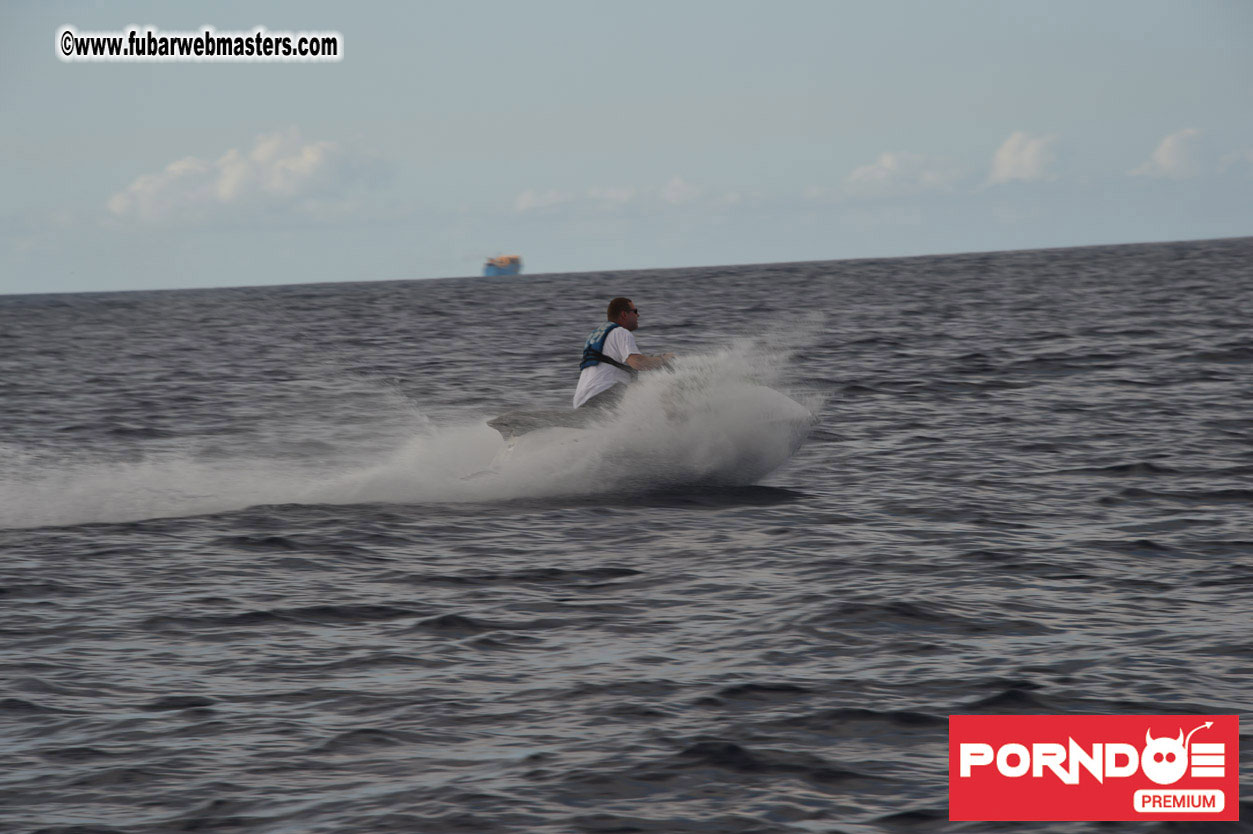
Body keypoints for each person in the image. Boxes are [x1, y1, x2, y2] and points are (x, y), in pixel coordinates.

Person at [572, 297, 675, 409]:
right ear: (624, 315)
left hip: (581, 402)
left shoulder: (597, 335)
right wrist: (664, 359)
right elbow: (638, 363)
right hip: (600, 397)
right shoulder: (621, 332)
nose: (638, 315)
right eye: (635, 311)